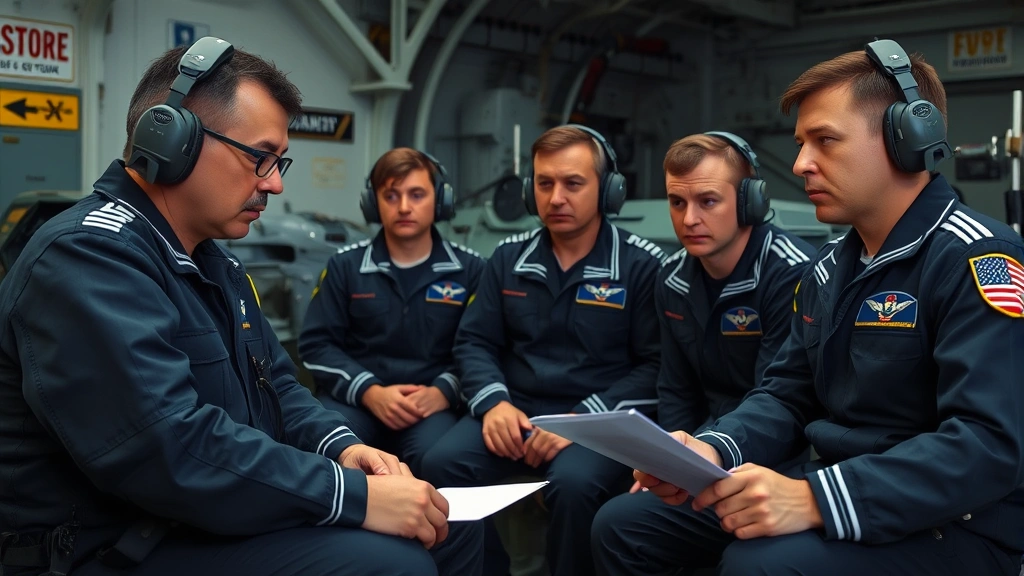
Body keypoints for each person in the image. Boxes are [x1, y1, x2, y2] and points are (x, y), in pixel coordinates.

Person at [0, 38, 482, 576]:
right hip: (111, 546)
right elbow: (169, 448)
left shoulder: (214, 266)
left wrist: (345, 450)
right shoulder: (88, 257)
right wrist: (350, 496)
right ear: (172, 139)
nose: (274, 183)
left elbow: (278, 384)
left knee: (449, 531)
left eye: (280, 163)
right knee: (395, 562)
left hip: (196, 517)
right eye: (260, 157)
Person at [632, 39, 1024, 575]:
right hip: (836, 489)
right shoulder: (828, 268)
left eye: (824, 141)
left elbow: (988, 444)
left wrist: (816, 500)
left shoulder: (976, 256)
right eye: (800, 143)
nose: (800, 164)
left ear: (907, 139)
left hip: (956, 524)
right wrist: (711, 451)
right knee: (629, 524)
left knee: (760, 564)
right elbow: (789, 395)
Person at [422, 124, 664, 576]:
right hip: (515, 411)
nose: (556, 198)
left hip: (597, 420)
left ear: (608, 191)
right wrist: (494, 403)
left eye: (573, 183)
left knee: (573, 486)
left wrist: (584, 422)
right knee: (441, 464)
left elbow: (656, 366)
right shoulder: (507, 258)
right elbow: (474, 341)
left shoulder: (641, 265)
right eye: (544, 183)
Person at [591, 132, 814, 574]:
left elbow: (781, 400)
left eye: (708, 201)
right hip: (702, 451)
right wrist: (672, 462)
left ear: (750, 201)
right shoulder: (671, 277)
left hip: (778, 462)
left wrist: (699, 457)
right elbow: (675, 387)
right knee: (613, 522)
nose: (689, 218)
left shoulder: (792, 273)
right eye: (677, 203)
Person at [298, 147, 485, 477]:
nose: (403, 207)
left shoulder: (471, 270)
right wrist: (370, 391)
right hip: (356, 400)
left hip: (430, 405)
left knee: (438, 462)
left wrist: (445, 391)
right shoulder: (345, 266)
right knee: (326, 450)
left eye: (416, 195)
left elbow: (484, 348)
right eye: (391, 196)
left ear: (440, 201)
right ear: (374, 204)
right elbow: (317, 345)